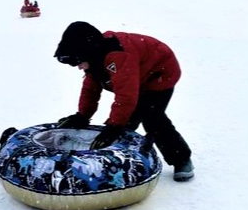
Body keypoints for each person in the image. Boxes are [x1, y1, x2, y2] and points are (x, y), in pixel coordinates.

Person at [54, 21, 194, 181]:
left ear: (87, 52)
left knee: (152, 117)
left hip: (160, 72)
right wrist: (82, 116)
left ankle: (181, 159)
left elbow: (126, 96)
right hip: (137, 75)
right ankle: (121, 163)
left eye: (77, 62)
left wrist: (114, 126)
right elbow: (90, 91)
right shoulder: (94, 60)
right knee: (126, 121)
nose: (78, 67)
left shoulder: (118, 57)